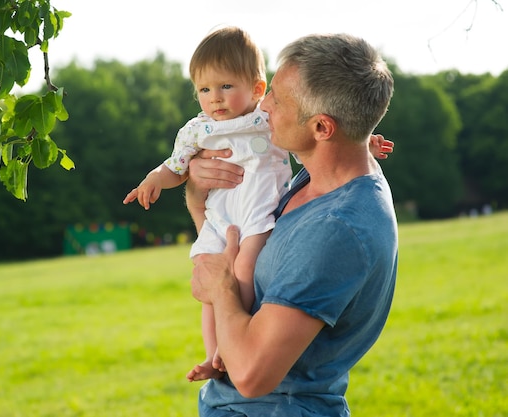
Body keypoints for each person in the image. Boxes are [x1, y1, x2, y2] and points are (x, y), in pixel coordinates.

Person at [187, 33, 398, 416]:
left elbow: (251, 377)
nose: (262, 105)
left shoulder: (336, 229)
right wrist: (195, 193)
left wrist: (221, 292)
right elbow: (226, 236)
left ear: (322, 128)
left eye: (278, 100)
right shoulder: (317, 177)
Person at [123, 26, 294, 381]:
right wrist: (154, 180)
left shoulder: (268, 118)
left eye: (226, 87)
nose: (214, 98)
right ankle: (212, 353)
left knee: (244, 268)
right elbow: (175, 167)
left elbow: (314, 133)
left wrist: (364, 143)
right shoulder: (197, 130)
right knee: (210, 277)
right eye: (204, 89)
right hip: (220, 217)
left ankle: (236, 344)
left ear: (257, 88)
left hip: (259, 212)